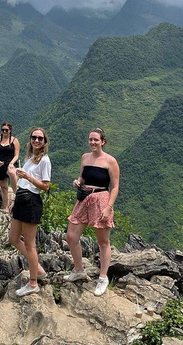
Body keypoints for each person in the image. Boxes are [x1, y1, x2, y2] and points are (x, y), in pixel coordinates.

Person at [64, 127, 120, 297]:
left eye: (96, 140)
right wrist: (77, 182)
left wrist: (108, 207)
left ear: (103, 141)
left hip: (101, 198)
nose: (93, 142)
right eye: (91, 139)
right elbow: (82, 177)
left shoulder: (110, 161)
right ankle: (79, 269)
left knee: (103, 241)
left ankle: (103, 277)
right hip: (84, 197)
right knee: (71, 236)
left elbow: (115, 186)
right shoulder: (85, 157)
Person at [7, 127, 51, 297]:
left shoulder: (44, 160)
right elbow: (22, 184)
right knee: (13, 238)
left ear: (44, 142)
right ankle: (37, 268)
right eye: (34, 137)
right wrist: (13, 199)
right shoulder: (30, 158)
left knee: (30, 244)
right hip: (21, 198)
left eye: (40, 138)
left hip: (32, 201)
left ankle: (33, 282)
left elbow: (45, 186)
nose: (37, 141)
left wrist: (28, 177)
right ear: (30, 139)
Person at [0, 122, 20, 210]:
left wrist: (11, 163)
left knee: (12, 174)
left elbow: (16, 155)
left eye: (6, 130)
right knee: (3, 187)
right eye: (2, 130)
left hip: (10, 162)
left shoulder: (14, 141)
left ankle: (16, 195)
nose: (4, 132)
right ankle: (5, 207)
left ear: (10, 130)